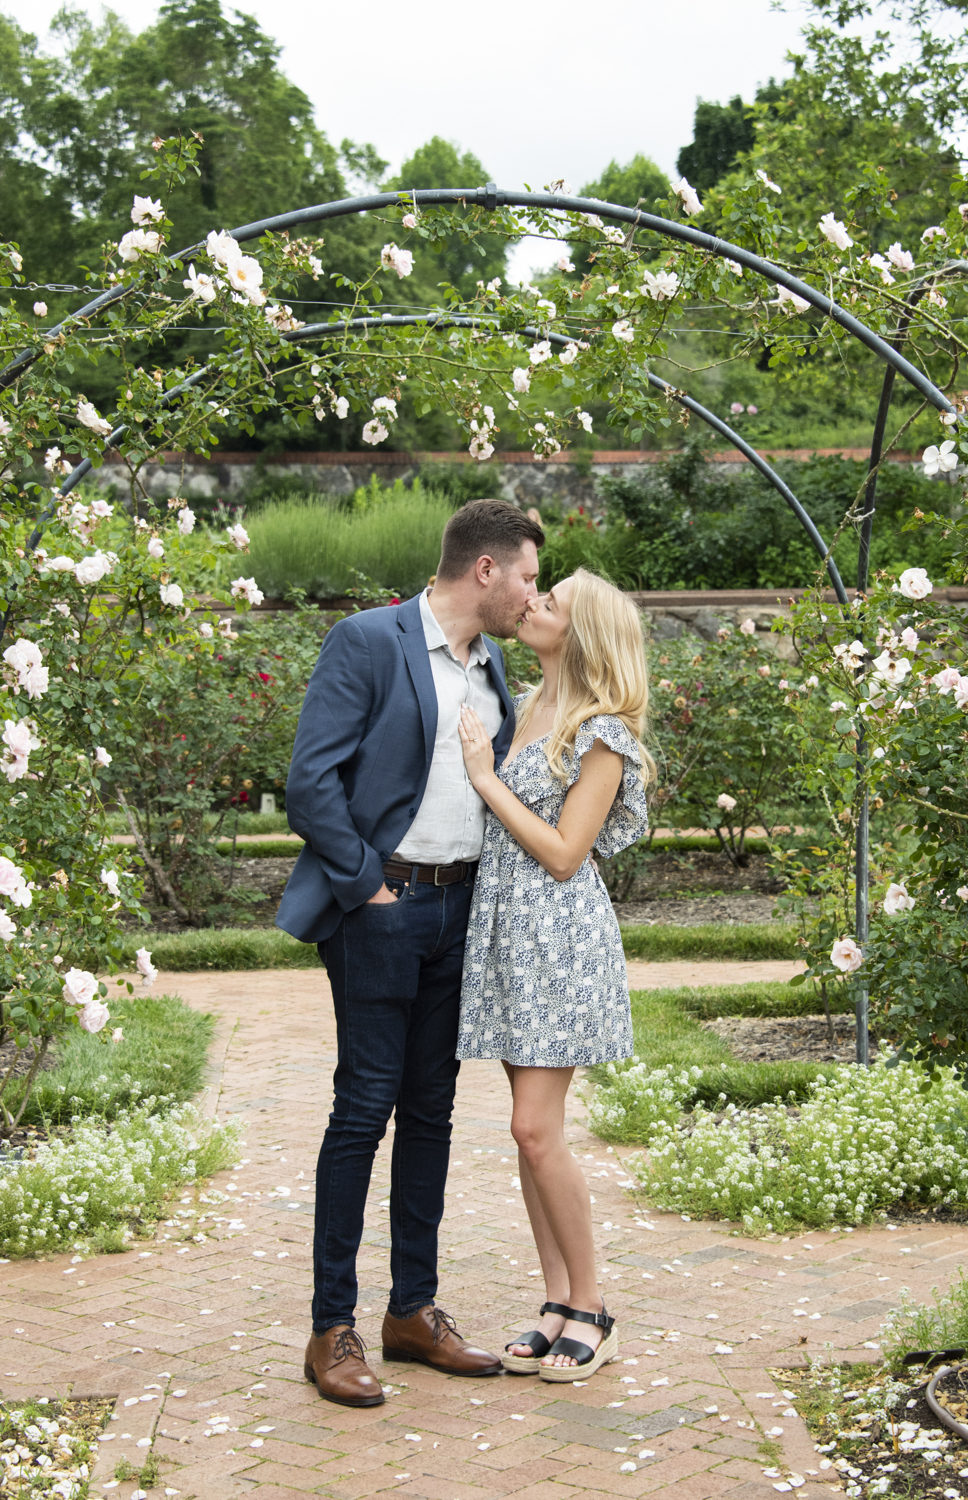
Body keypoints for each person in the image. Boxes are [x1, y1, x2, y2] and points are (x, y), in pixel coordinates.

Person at [277, 499, 545, 1407]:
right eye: (528, 577)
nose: (530, 594)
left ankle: (412, 1314)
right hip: (379, 910)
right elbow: (309, 781)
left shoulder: (491, 663)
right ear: (485, 570)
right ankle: (331, 1329)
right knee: (363, 1111)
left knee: (431, 1113)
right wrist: (368, 886)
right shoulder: (367, 641)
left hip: (458, 911)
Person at [456, 567, 654, 1382]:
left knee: (534, 1130)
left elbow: (567, 855)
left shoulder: (601, 732)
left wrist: (483, 778)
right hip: (508, 932)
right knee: (529, 1132)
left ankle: (594, 1306)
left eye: (551, 602)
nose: (532, 603)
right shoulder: (527, 703)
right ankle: (555, 1301)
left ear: (582, 635)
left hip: (559, 944)